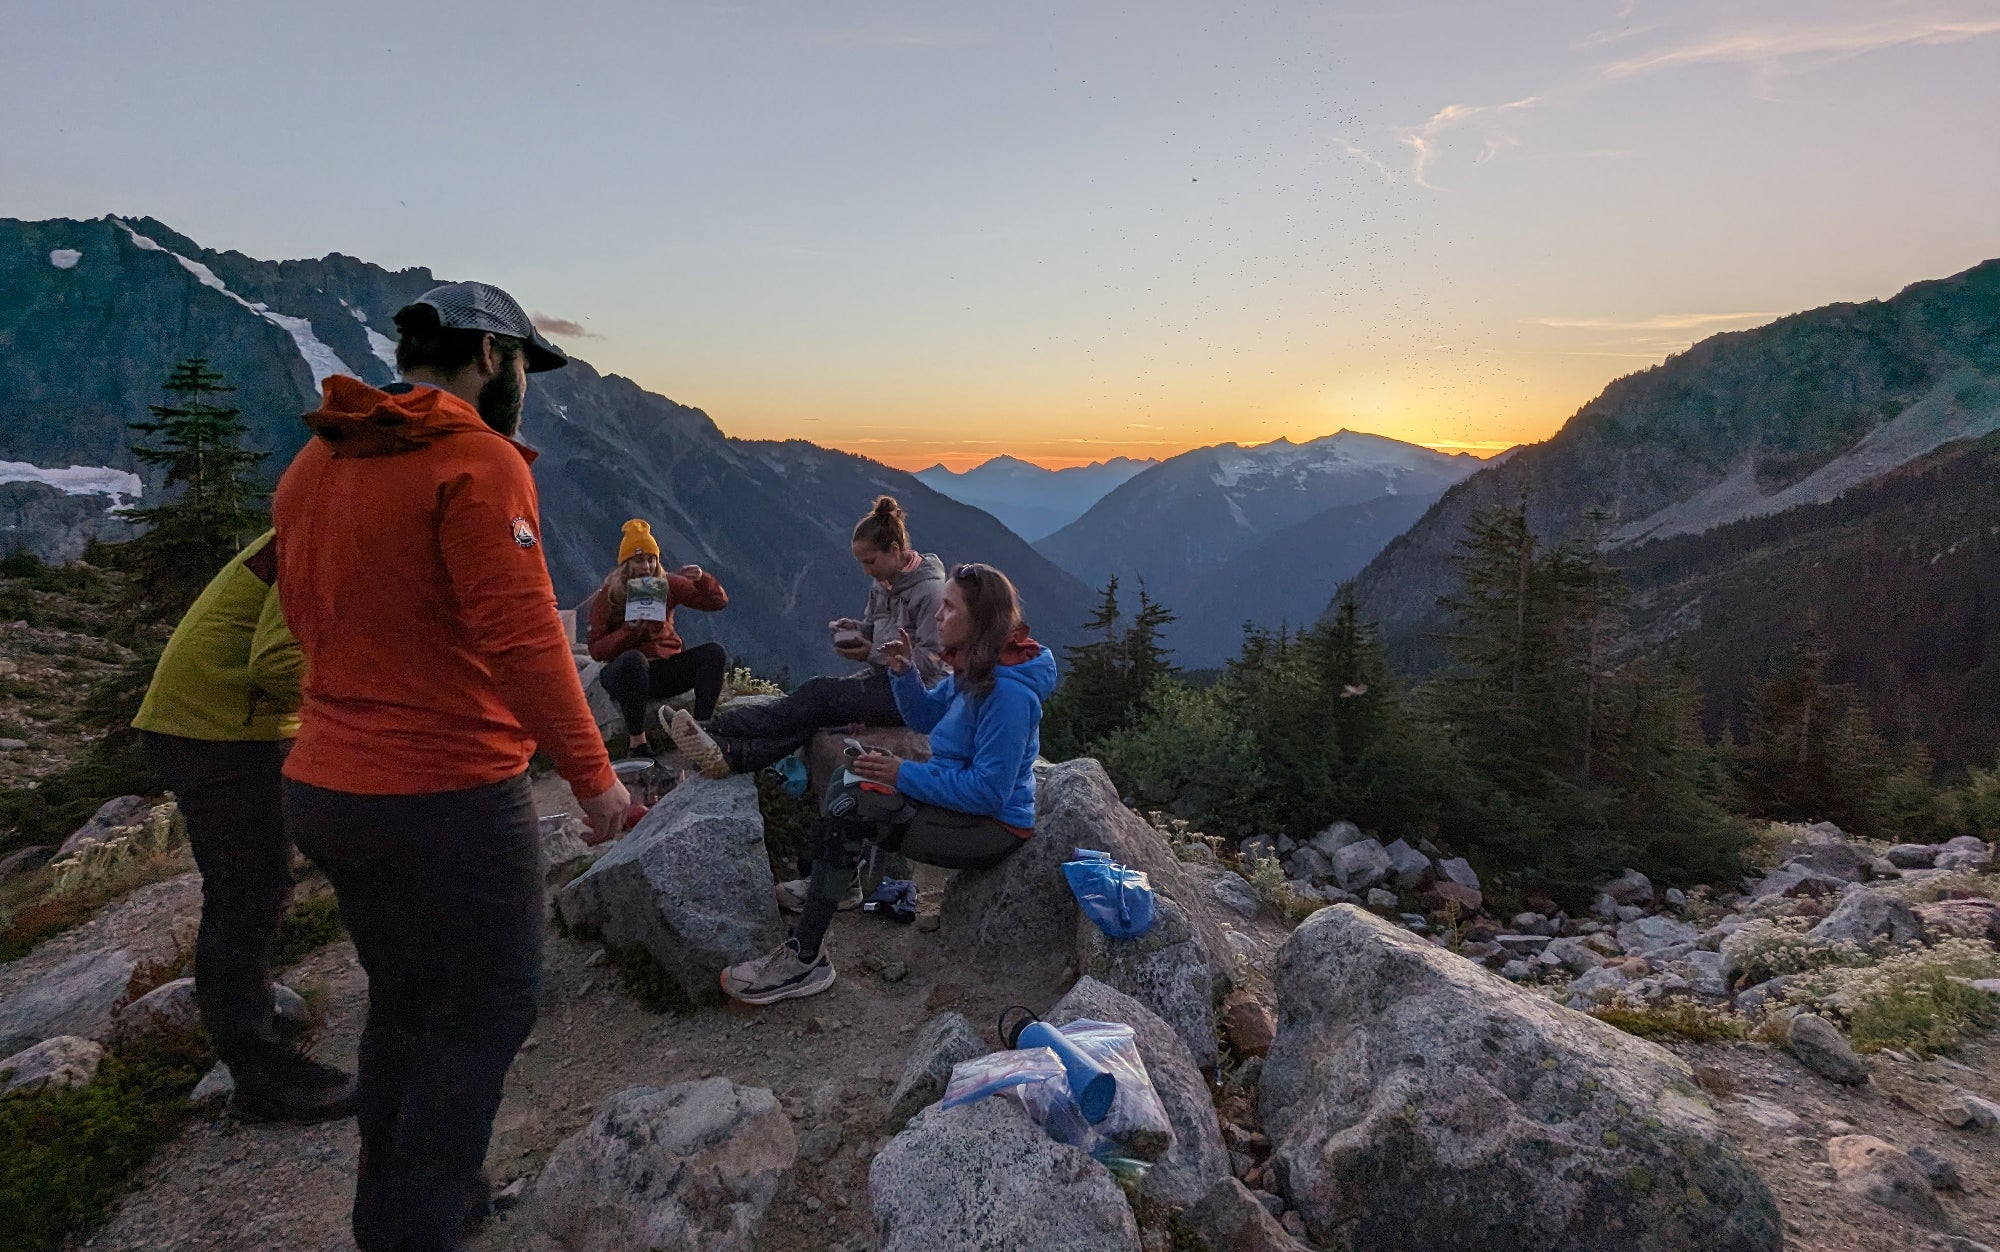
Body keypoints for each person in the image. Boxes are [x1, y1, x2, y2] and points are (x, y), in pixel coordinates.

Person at [273, 280, 630, 1252]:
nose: (527, 385)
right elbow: (520, 638)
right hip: (442, 792)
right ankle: (423, 1223)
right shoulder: (475, 459)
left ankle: (393, 1212)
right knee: (488, 1006)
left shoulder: (319, 458)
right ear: (487, 355)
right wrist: (594, 780)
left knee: (404, 1000)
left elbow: (303, 610)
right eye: (523, 364)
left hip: (328, 784)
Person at [719, 563, 1055, 1005]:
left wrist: (903, 774)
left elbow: (988, 792)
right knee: (849, 775)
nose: (938, 615)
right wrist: (903, 675)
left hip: (992, 828)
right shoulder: (974, 668)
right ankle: (838, 884)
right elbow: (927, 718)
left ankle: (804, 960)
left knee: (854, 804)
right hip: (964, 807)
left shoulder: (1007, 695)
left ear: (980, 621)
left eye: (949, 608)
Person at [130, 530, 356, 1122]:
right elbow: (278, 662)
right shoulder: (330, 537)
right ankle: (262, 1078)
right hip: (211, 725)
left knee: (274, 876)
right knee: (247, 891)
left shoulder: (335, 518)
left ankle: (255, 1020)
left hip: (236, 720)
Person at [667, 495, 944, 775]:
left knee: (820, 693)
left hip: (917, 696)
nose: (866, 570)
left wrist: (871, 653)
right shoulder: (882, 584)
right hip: (884, 680)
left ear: (895, 550)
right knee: (818, 711)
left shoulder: (929, 592)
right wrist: (856, 629)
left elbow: (933, 661)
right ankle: (732, 753)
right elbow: (875, 630)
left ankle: (713, 729)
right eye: (862, 562)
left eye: (870, 561)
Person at [582, 518, 728, 753]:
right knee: (634, 660)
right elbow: (596, 650)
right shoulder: (609, 594)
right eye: (639, 561)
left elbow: (716, 603)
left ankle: (701, 730)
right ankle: (637, 743)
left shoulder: (666, 583)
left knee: (714, 653)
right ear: (626, 565)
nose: (647, 567)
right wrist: (628, 631)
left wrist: (702, 580)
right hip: (623, 674)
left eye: (651, 559)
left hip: (662, 670)